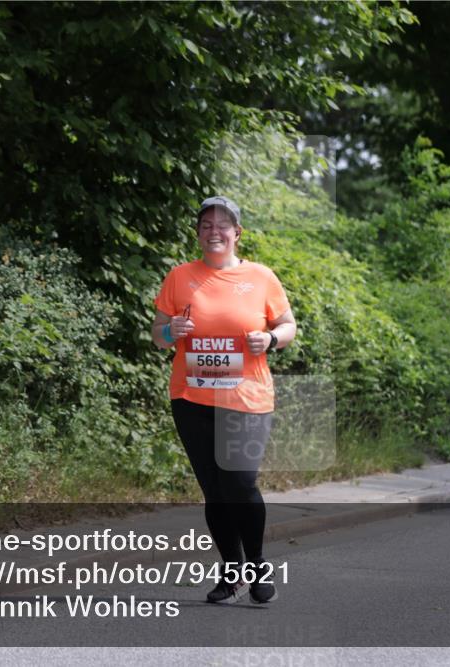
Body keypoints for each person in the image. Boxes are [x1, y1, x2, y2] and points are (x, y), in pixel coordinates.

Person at [151, 195, 296, 604]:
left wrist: (268, 338)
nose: (214, 231)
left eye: (223, 225)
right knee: (214, 489)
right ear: (198, 233)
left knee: (240, 481)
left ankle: (257, 564)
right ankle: (231, 572)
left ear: (237, 233)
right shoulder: (180, 277)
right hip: (191, 397)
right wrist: (170, 332)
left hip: (246, 397)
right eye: (206, 225)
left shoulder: (261, 277)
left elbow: (287, 325)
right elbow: (156, 335)